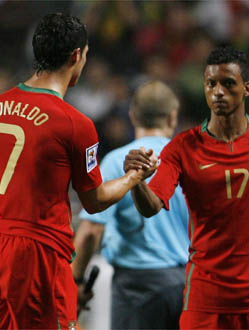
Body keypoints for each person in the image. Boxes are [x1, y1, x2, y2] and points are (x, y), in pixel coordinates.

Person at [0, 13, 154, 330]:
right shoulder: (74, 124)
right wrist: (133, 178)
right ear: (76, 56)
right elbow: (93, 200)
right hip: (38, 255)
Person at [124, 46, 249, 330]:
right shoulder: (183, 148)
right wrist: (137, 181)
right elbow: (151, 206)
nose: (218, 91)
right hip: (204, 296)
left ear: (247, 88)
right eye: (211, 84)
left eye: (228, 83)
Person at [72, 80, 190, 329]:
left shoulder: (118, 162)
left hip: (138, 287)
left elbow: (91, 231)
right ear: (172, 117)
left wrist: (76, 281)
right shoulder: (189, 160)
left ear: (133, 116)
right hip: (190, 285)